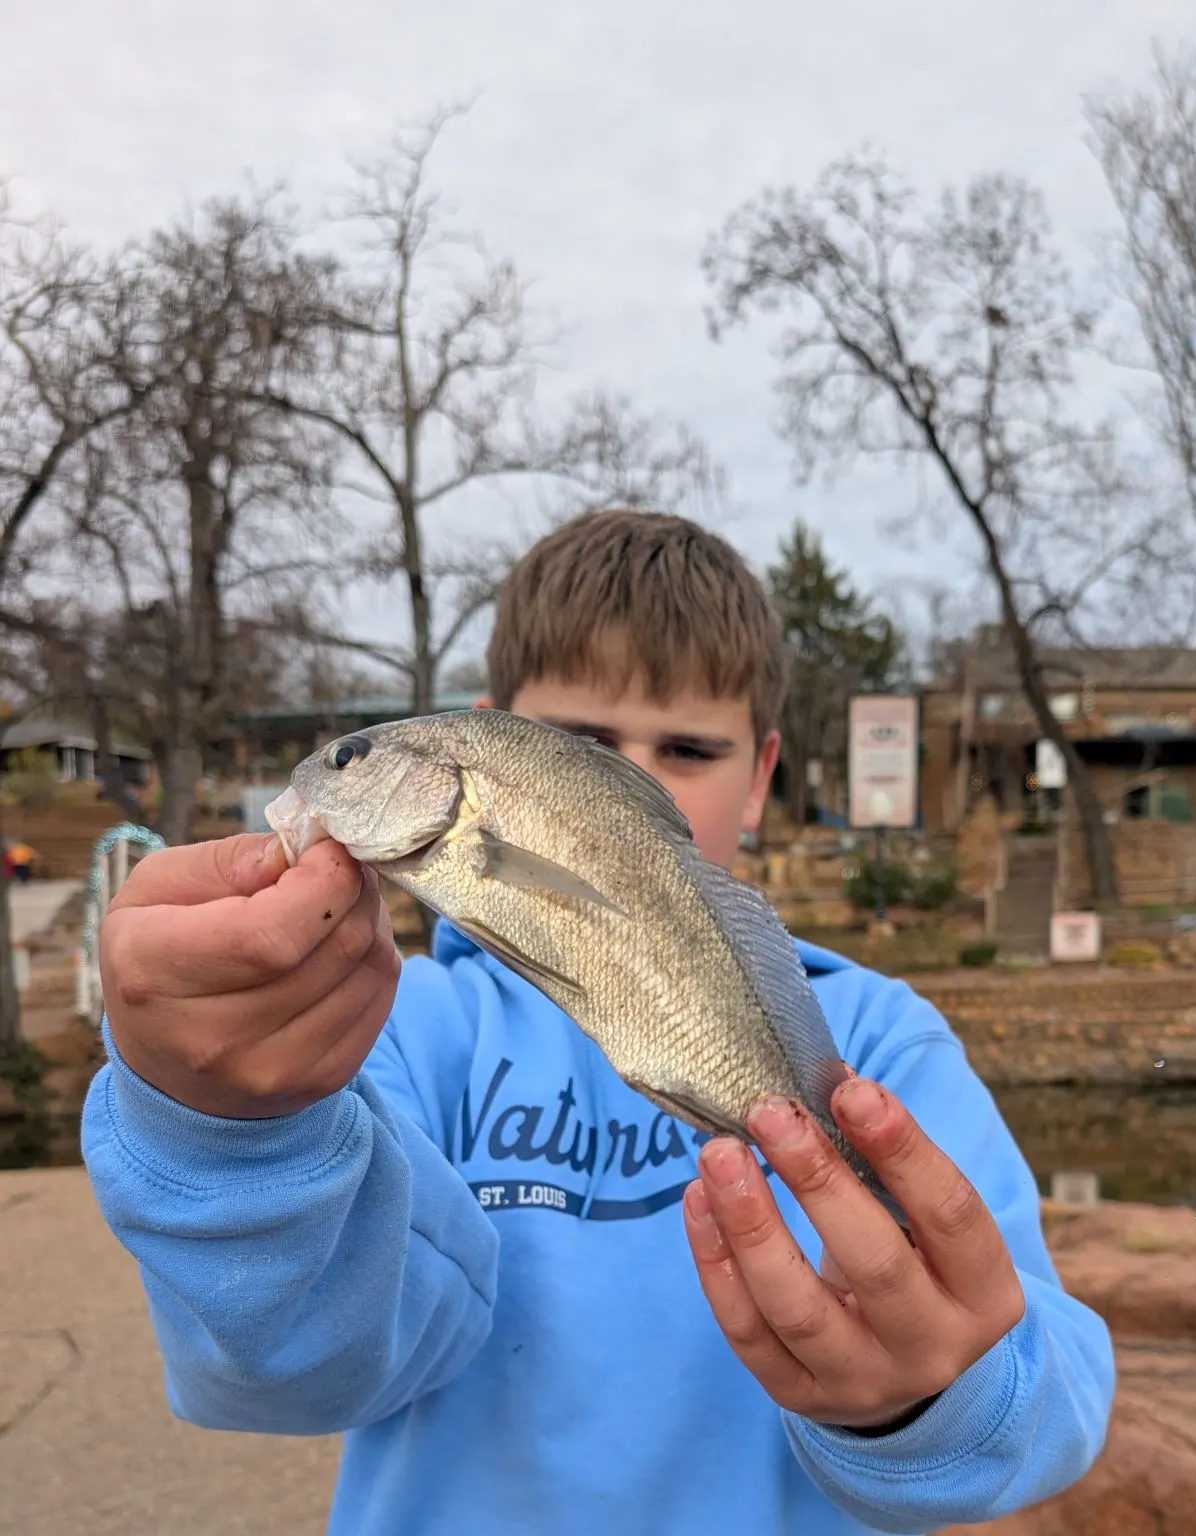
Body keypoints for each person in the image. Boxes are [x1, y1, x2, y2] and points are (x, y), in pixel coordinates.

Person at [79, 511, 1114, 1536]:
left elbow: (1052, 1403)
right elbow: (291, 1374)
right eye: (581, 746)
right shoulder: (387, 1031)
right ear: (494, 736)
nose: (640, 777)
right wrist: (230, 1131)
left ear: (760, 777)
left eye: (690, 748)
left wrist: (923, 1401)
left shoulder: (878, 1045)